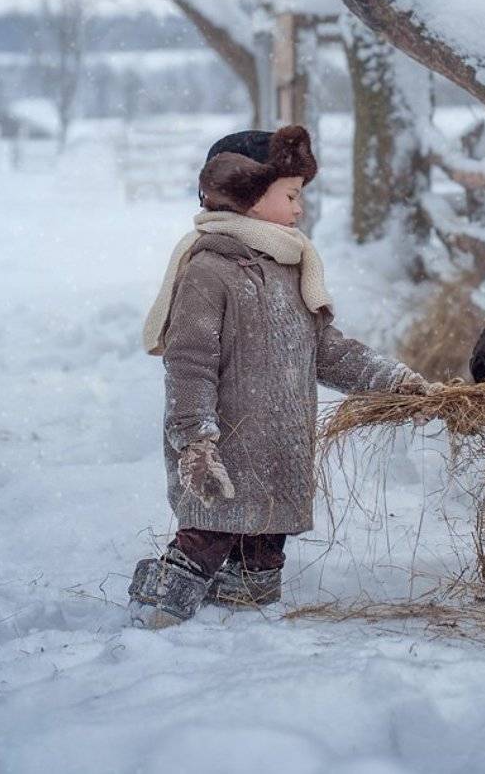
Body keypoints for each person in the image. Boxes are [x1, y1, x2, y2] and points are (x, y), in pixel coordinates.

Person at [128, 124, 430, 629]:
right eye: (290, 194)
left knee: (261, 570)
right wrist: (196, 442)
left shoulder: (291, 267)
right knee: (208, 535)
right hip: (224, 449)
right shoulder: (210, 271)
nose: (299, 208)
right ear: (245, 196)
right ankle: (158, 607)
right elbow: (189, 363)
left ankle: (240, 608)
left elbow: (325, 350)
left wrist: (392, 380)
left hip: (282, 447)